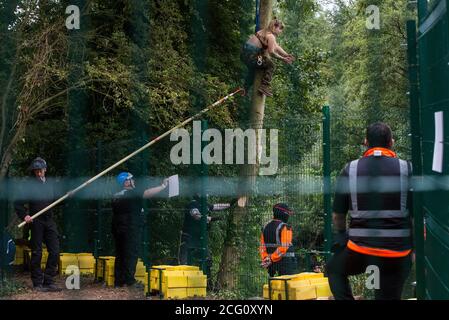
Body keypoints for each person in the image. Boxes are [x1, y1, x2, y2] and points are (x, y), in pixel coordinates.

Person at [325, 122, 413, 300]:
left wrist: (342, 234)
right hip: (398, 252)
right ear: (391, 142)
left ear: (366, 142)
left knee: (334, 269)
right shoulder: (407, 169)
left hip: (361, 250)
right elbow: (416, 216)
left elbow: (337, 216)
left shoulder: (350, 170)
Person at [111, 172, 168, 288]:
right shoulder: (131, 194)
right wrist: (163, 186)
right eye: (131, 179)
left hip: (119, 229)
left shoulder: (117, 195)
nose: (133, 181)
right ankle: (130, 281)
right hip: (131, 229)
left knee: (120, 254)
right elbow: (147, 193)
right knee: (131, 254)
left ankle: (119, 281)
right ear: (126, 182)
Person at [14, 157, 61, 292]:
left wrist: (67, 195)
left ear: (45, 170)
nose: (38, 174)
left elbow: (57, 201)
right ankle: (37, 283)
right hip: (36, 222)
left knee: (55, 250)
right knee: (37, 252)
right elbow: (18, 203)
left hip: (49, 221)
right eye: (36, 171)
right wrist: (25, 216)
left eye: (40, 171)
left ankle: (48, 281)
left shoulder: (51, 185)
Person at [179, 194, 235, 272]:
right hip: (188, 237)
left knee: (207, 260)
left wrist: (230, 204)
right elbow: (196, 215)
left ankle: (207, 280)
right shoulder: (192, 204)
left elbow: (216, 206)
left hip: (199, 237)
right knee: (184, 262)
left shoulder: (204, 204)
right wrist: (211, 219)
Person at [241, 18, 295, 97]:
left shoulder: (264, 31)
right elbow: (272, 52)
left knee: (253, 71)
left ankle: (245, 89)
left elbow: (276, 46)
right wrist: (283, 59)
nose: (281, 31)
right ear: (274, 27)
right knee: (271, 65)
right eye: (280, 29)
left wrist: (286, 55)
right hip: (252, 56)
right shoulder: (271, 36)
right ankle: (264, 86)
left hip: (244, 54)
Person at [259, 203, 297, 277]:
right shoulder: (285, 227)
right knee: (287, 287)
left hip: (271, 265)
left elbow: (262, 247)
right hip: (286, 265)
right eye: (288, 213)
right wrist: (271, 258)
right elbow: (283, 248)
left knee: (273, 287)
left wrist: (266, 258)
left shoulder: (265, 227)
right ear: (284, 214)